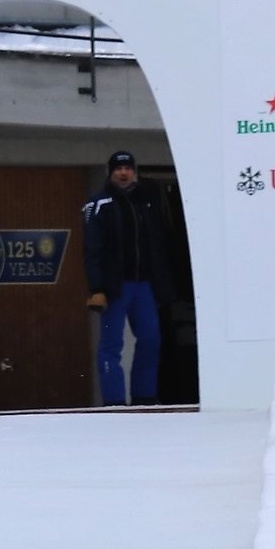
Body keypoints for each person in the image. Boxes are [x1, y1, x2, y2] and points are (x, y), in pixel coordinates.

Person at [81, 151, 175, 406]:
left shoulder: (146, 202)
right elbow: (91, 249)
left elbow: (158, 245)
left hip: (143, 285)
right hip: (114, 287)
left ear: (134, 171)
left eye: (128, 168)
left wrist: (161, 285)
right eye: (118, 168)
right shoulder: (97, 204)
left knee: (150, 339)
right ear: (110, 172)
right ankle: (114, 401)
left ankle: (145, 396)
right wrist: (97, 287)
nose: (123, 173)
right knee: (112, 344)